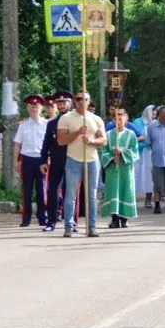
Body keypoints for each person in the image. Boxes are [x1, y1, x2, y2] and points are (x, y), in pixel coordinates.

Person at [57, 91, 106, 238]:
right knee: (71, 194)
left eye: (84, 99)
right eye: (78, 99)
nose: (80, 102)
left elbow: (103, 140)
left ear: (89, 101)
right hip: (73, 160)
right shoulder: (66, 118)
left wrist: (92, 141)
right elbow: (61, 140)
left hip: (91, 160)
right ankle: (68, 226)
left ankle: (92, 226)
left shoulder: (96, 119)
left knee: (92, 194)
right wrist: (77, 133)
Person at [13, 94, 49, 228]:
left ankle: (42, 217)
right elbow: (17, 144)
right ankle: (26, 218)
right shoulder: (23, 125)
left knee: (41, 190)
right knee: (26, 190)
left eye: (37, 106)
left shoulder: (46, 124)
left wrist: (47, 159)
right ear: (28, 108)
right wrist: (16, 162)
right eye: (32, 106)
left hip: (41, 160)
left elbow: (49, 144)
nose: (34, 108)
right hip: (27, 159)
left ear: (41, 108)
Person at [100, 108, 139, 228]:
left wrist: (122, 153)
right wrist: (111, 158)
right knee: (113, 191)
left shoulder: (131, 134)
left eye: (121, 119)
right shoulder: (108, 134)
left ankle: (125, 218)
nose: (119, 121)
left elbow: (135, 151)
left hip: (126, 169)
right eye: (116, 119)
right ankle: (114, 219)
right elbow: (102, 151)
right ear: (113, 120)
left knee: (125, 190)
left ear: (126, 120)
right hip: (113, 169)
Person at [41, 91, 73, 233]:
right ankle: (51, 222)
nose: (61, 105)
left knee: (70, 192)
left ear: (70, 103)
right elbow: (46, 143)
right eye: (59, 103)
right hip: (56, 161)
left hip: (72, 160)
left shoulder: (75, 121)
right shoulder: (52, 123)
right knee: (52, 191)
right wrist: (43, 161)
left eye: (64, 102)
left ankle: (71, 222)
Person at [135, 105, 155, 208]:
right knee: (136, 174)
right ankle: (132, 199)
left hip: (150, 153)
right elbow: (135, 135)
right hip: (140, 152)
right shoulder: (137, 122)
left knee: (149, 177)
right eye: (153, 113)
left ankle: (148, 199)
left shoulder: (154, 123)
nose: (154, 115)